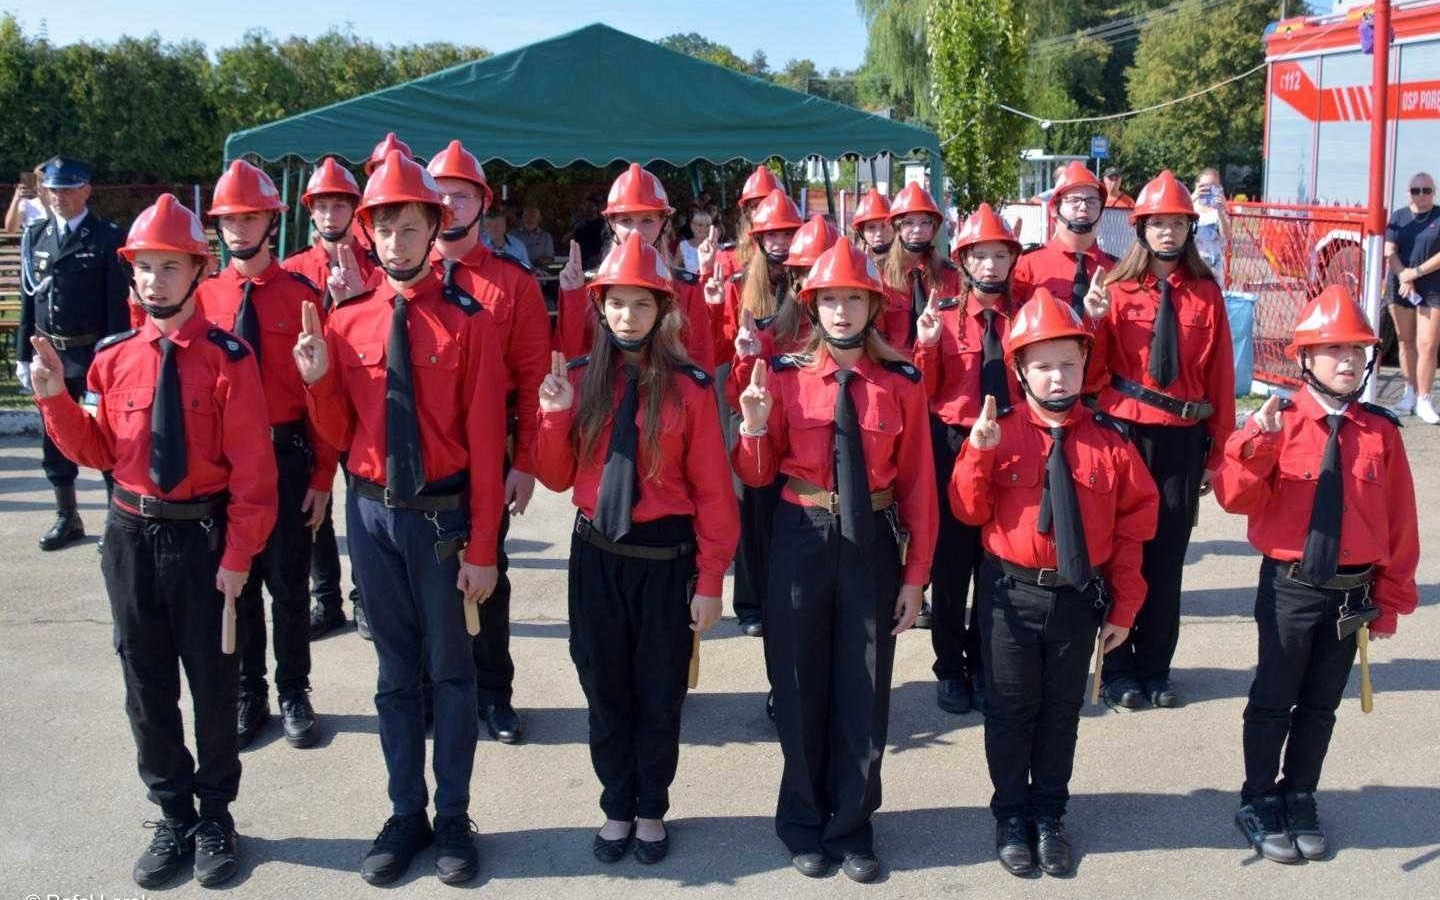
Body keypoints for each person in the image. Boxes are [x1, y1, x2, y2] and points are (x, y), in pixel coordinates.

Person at [32, 194, 277, 887]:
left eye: (170, 267)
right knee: (144, 684)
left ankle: (216, 815)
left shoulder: (230, 359)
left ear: (198, 272)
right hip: (130, 535)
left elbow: (255, 477)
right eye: (144, 268)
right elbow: (95, 447)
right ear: (131, 274)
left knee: (213, 680)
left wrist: (237, 558)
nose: (155, 281)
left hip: (201, 540)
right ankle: (173, 814)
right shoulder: (111, 360)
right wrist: (54, 395)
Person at [294, 149, 505, 885]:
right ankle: (404, 813)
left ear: (434, 230)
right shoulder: (346, 321)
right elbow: (335, 432)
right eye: (383, 228)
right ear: (369, 234)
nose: (396, 242)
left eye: (410, 228)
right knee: (392, 677)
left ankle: (452, 818)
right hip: (373, 518)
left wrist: (485, 547)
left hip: (444, 524)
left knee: (451, 675)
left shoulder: (468, 322)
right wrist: (318, 379)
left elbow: (483, 442)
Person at [734, 240, 937, 883]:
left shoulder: (901, 381)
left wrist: (915, 578)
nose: (842, 309)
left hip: (871, 538)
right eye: (830, 298)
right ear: (811, 303)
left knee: (865, 685)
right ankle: (802, 820)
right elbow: (757, 477)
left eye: (854, 297)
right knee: (797, 685)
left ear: (874, 305)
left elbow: (919, 488)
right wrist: (756, 427)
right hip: (801, 531)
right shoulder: (785, 375)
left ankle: (852, 825)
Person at [534, 232, 739, 865]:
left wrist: (710, 582)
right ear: (600, 308)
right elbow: (555, 477)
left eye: (641, 305)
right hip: (596, 556)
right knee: (603, 686)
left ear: (663, 310)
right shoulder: (575, 378)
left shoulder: (693, 389)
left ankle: (651, 807)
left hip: (664, 561)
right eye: (616, 304)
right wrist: (553, 417)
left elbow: (712, 494)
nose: (627, 317)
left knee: (658, 691)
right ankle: (615, 804)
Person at [950, 288, 1159, 878]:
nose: (1058, 376)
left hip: (1076, 597)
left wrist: (1125, 609)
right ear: (1019, 370)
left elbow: (1132, 530)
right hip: (1009, 596)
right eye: (1042, 365)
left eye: (1069, 362)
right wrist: (977, 455)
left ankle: (1049, 814)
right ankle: (1010, 816)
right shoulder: (998, 433)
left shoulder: (1111, 443)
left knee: (1061, 713)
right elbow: (967, 512)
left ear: (1086, 364)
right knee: (1011, 711)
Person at [1214, 285, 1418, 865]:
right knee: (1274, 697)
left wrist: (1392, 600)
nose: (1348, 361)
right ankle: (1258, 798)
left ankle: (1300, 792)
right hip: (1291, 588)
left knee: (1322, 704)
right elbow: (1232, 497)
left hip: (1352, 593)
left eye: (1357, 350)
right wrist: (1258, 441)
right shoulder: (1277, 422)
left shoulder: (1379, 432)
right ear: (1304, 358)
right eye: (1333, 349)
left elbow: (1400, 524)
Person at [195, 159, 332, 752]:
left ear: (270, 223)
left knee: (289, 583)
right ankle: (250, 689)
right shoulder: (201, 297)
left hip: (285, 456)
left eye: (251, 217)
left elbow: (323, 393)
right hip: (224, 467)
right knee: (238, 581)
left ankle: (294, 690)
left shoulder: (302, 296)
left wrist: (324, 475)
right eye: (230, 218)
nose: (240, 229)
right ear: (218, 225)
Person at [1090, 169, 1235, 710]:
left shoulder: (1206, 295)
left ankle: (1156, 668)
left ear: (1190, 229)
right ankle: (1115, 669)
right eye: (1157, 223)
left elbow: (1220, 378)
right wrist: (1096, 322)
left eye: (1177, 223)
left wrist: (1217, 454)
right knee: (1121, 550)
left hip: (1181, 437)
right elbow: (1093, 376)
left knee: (1167, 557)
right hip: (1127, 432)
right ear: (1140, 229)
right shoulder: (1115, 290)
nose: (1167, 233)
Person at [428, 138, 551, 745]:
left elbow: (532, 380)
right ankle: (437, 690)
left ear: (483, 202)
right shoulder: (401, 277)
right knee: (424, 585)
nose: (448, 205)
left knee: (487, 574)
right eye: (440, 194)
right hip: (417, 456)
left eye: (461, 194)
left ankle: (493, 692)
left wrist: (524, 462)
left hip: (488, 452)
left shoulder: (513, 284)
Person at [912, 203, 1024, 716]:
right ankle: (950, 668)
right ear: (963, 261)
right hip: (953, 445)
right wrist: (927, 344)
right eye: (981, 256)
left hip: (1010, 445)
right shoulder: (947, 318)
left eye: (1000, 256)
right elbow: (926, 391)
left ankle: (984, 665)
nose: (991, 266)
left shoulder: (1027, 318)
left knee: (996, 563)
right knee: (952, 565)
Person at [284, 156, 377, 640]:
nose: (330, 215)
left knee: (362, 504)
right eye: (322, 205)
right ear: (311, 212)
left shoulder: (376, 266)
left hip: (361, 405)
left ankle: (366, 596)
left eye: (340, 205)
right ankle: (327, 597)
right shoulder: (293, 269)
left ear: (354, 210)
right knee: (314, 504)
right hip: (310, 404)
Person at [17, 156, 130, 550]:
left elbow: (117, 306)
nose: (59, 197)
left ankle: (118, 519)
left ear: (86, 190)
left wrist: (116, 356)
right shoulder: (36, 235)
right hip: (52, 355)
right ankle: (67, 516)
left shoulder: (106, 237)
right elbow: (29, 299)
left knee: (104, 434)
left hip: (94, 354)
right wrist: (21, 354)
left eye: (67, 189)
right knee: (55, 437)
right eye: (52, 190)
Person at [555, 163, 716, 373]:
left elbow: (701, 367)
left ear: (664, 223)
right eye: (626, 220)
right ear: (611, 224)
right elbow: (571, 359)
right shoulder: (589, 286)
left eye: (647, 220)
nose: (636, 232)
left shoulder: (687, 288)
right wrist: (573, 296)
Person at [1012, 162, 1116, 323]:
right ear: (1054, 209)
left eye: (1092, 201)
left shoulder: (1116, 270)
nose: (1083, 207)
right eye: (1074, 200)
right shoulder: (1028, 264)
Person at [878, 182, 961, 353]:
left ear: (934, 228)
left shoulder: (951, 275)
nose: (918, 229)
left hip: (940, 366)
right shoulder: (879, 275)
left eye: (925, 222)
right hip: (896, 368)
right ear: (897, 227)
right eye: (909, 222)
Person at [1386, 171, 1440, 423]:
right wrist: (1404, 277)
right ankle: (1409, 393)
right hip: (1402, 288)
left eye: (1427, 190)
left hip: (1432, 288)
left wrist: (1414, 273)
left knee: (1427, 345)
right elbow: (1390, 250)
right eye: (1417, 190)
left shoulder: (1439, 216)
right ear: (1409, 193)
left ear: (1434, 192)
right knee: (1405, 341)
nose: (1422, 195)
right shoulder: (1398, 217)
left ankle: (1424, 399)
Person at [1192, 167, 1230, 273]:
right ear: (1196, 185)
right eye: (1204, 186)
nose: (1208, 189)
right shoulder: (1190, 206)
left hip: (1214, 265)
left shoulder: (1220, 209)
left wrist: (1221, 211)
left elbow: (1226, 235)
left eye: (1213, 186)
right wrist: (1193, 197)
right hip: (1191, 262)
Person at [850, 188, 893, 259]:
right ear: (862, 233)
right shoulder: (854, 262)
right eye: (871, 227)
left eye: (884, 226)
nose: (879, 233)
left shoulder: (907, 262)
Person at [5, 164, 47, 231]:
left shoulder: (61, 202)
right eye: (37, 179)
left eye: (43, 180)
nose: (41, 183)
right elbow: (11, 229)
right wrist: (16, 200)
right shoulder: (26, 203)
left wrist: (45, 203)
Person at [679, 205, 714, 274]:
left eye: (707, 225)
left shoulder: (715, 247)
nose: (704, 228)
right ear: (692, 226)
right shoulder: (683, 246)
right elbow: (674, 270)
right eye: (700, 225)